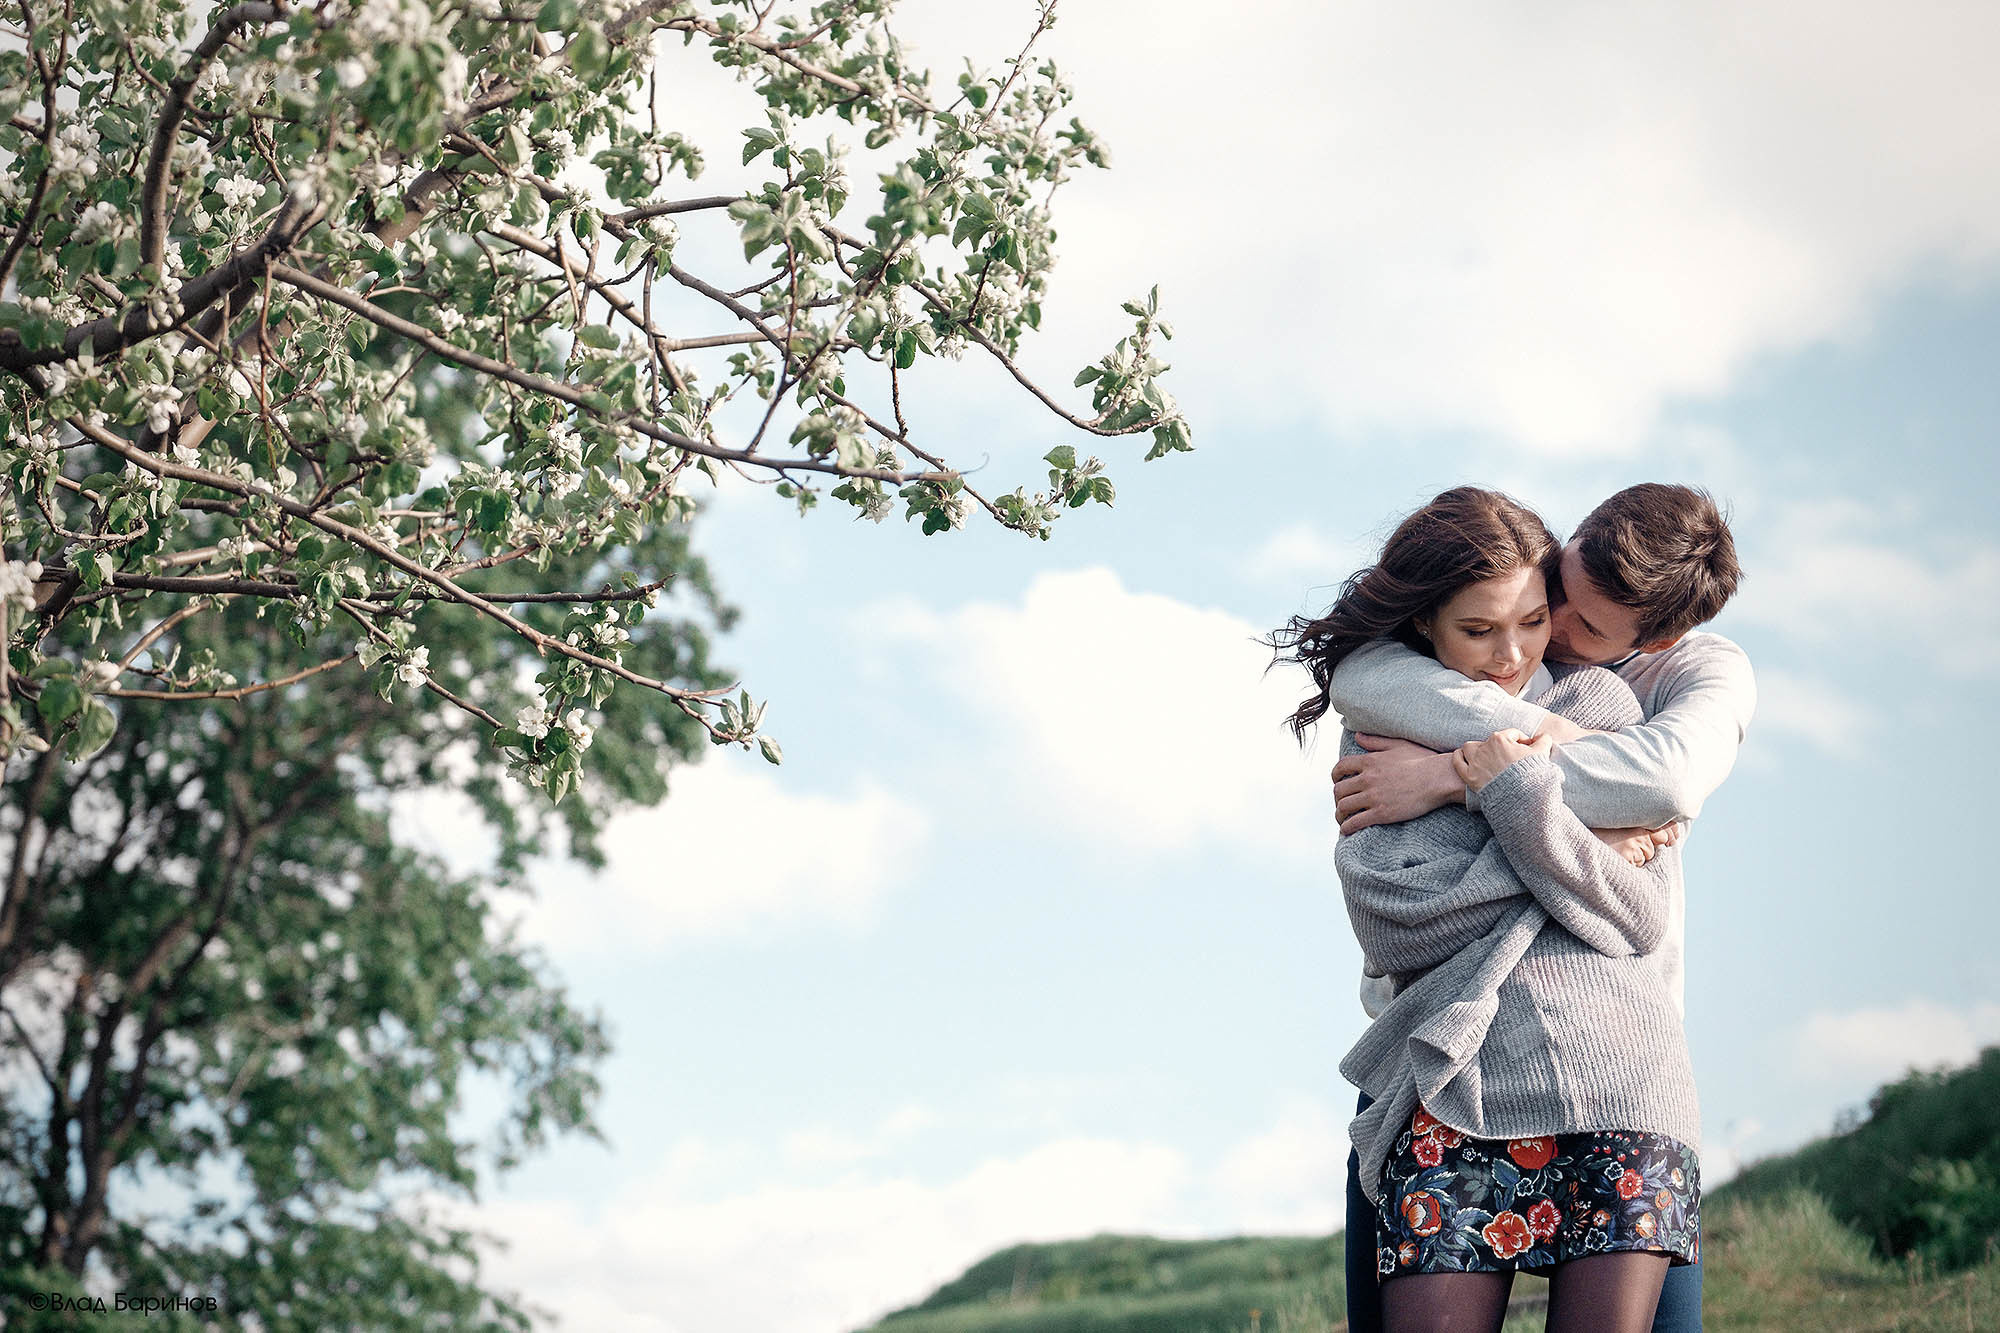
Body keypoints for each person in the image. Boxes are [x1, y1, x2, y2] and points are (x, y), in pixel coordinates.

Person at [1322, 483, 1752, 1333]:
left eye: (1570, 623)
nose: (1537, 636)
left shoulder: (1651, 693)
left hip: (1619, 1068)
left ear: (1653, 639)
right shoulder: (1386, 708)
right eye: (1551, 589)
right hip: (1452, 1074)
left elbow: (1637, 906)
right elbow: (1395, 912)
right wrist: (1552, 839)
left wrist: (1471, 780)